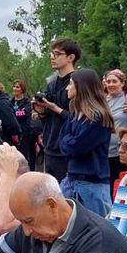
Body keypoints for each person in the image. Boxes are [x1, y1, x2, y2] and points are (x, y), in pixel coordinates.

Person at [42, 68, 115, 216]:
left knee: (96, 229)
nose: (67, 88)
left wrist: (69, 141)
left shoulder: (98, 117)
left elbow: (78, 147)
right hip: (71, 179)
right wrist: (70, 141)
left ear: (81, 87)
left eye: (70, 84)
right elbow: (62, 142)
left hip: (92, 185)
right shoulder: (75, 114)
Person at [34, 38, 79, 181]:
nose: (52, 57)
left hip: (67, 150)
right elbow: (47, 117)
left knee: (66, 198)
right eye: (51, 54)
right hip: (50, 147)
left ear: (70, 57)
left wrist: (56, 108)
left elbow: (80, 118)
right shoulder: (51, 84)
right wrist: (40, 110)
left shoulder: (78, 83)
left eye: (57, 54)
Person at [10, 80, 39, 171]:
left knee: (26, 156)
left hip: (26, 133)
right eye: (14, 86)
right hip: (13, 133)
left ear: (22, 89)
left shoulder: (26, 102)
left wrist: (13, 113)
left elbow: (24, 113)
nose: (15, 89)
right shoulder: (10, 102)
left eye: (17, 87)